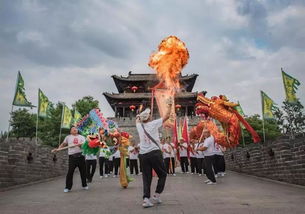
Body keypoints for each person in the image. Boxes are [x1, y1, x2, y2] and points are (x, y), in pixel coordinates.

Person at [136, 101, 172, 208]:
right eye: (150, 114)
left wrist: (140, 112)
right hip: (155, 153)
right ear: (148, 117)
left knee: (146, 177)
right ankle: (157, 194)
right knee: (163, 174)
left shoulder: (139, 126)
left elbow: (137, 119)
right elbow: (167, 116)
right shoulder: (153, 123)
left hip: (143, 155)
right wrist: (169, 105)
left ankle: (146, 199)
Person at [54, 127, 88, 192]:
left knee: (83, 172)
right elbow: (63, 144)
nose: (75, 129)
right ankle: (67, 187)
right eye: (73, 129)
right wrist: (58, 149)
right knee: (70, 172)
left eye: (76, 129)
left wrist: (78, 145)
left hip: (81, 156)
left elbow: (84, 146)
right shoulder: (68, 137)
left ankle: (84, 185)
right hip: (72, 157)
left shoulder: (82, 137)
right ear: (70, 131)